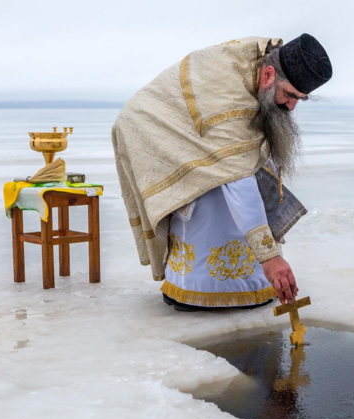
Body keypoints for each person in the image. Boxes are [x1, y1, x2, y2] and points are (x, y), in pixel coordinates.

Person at [112, 34, 333, 311]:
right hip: (153, 126)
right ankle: (200, 289)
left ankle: (253, 283)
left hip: (203, 122)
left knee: (244, 166)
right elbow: (237, 178)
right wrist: (270, 258)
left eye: (300, 99)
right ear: (267, 75)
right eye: (289, 95)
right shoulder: (228, 102)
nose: (291, 106)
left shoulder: (262, 56)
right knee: (219, 185)